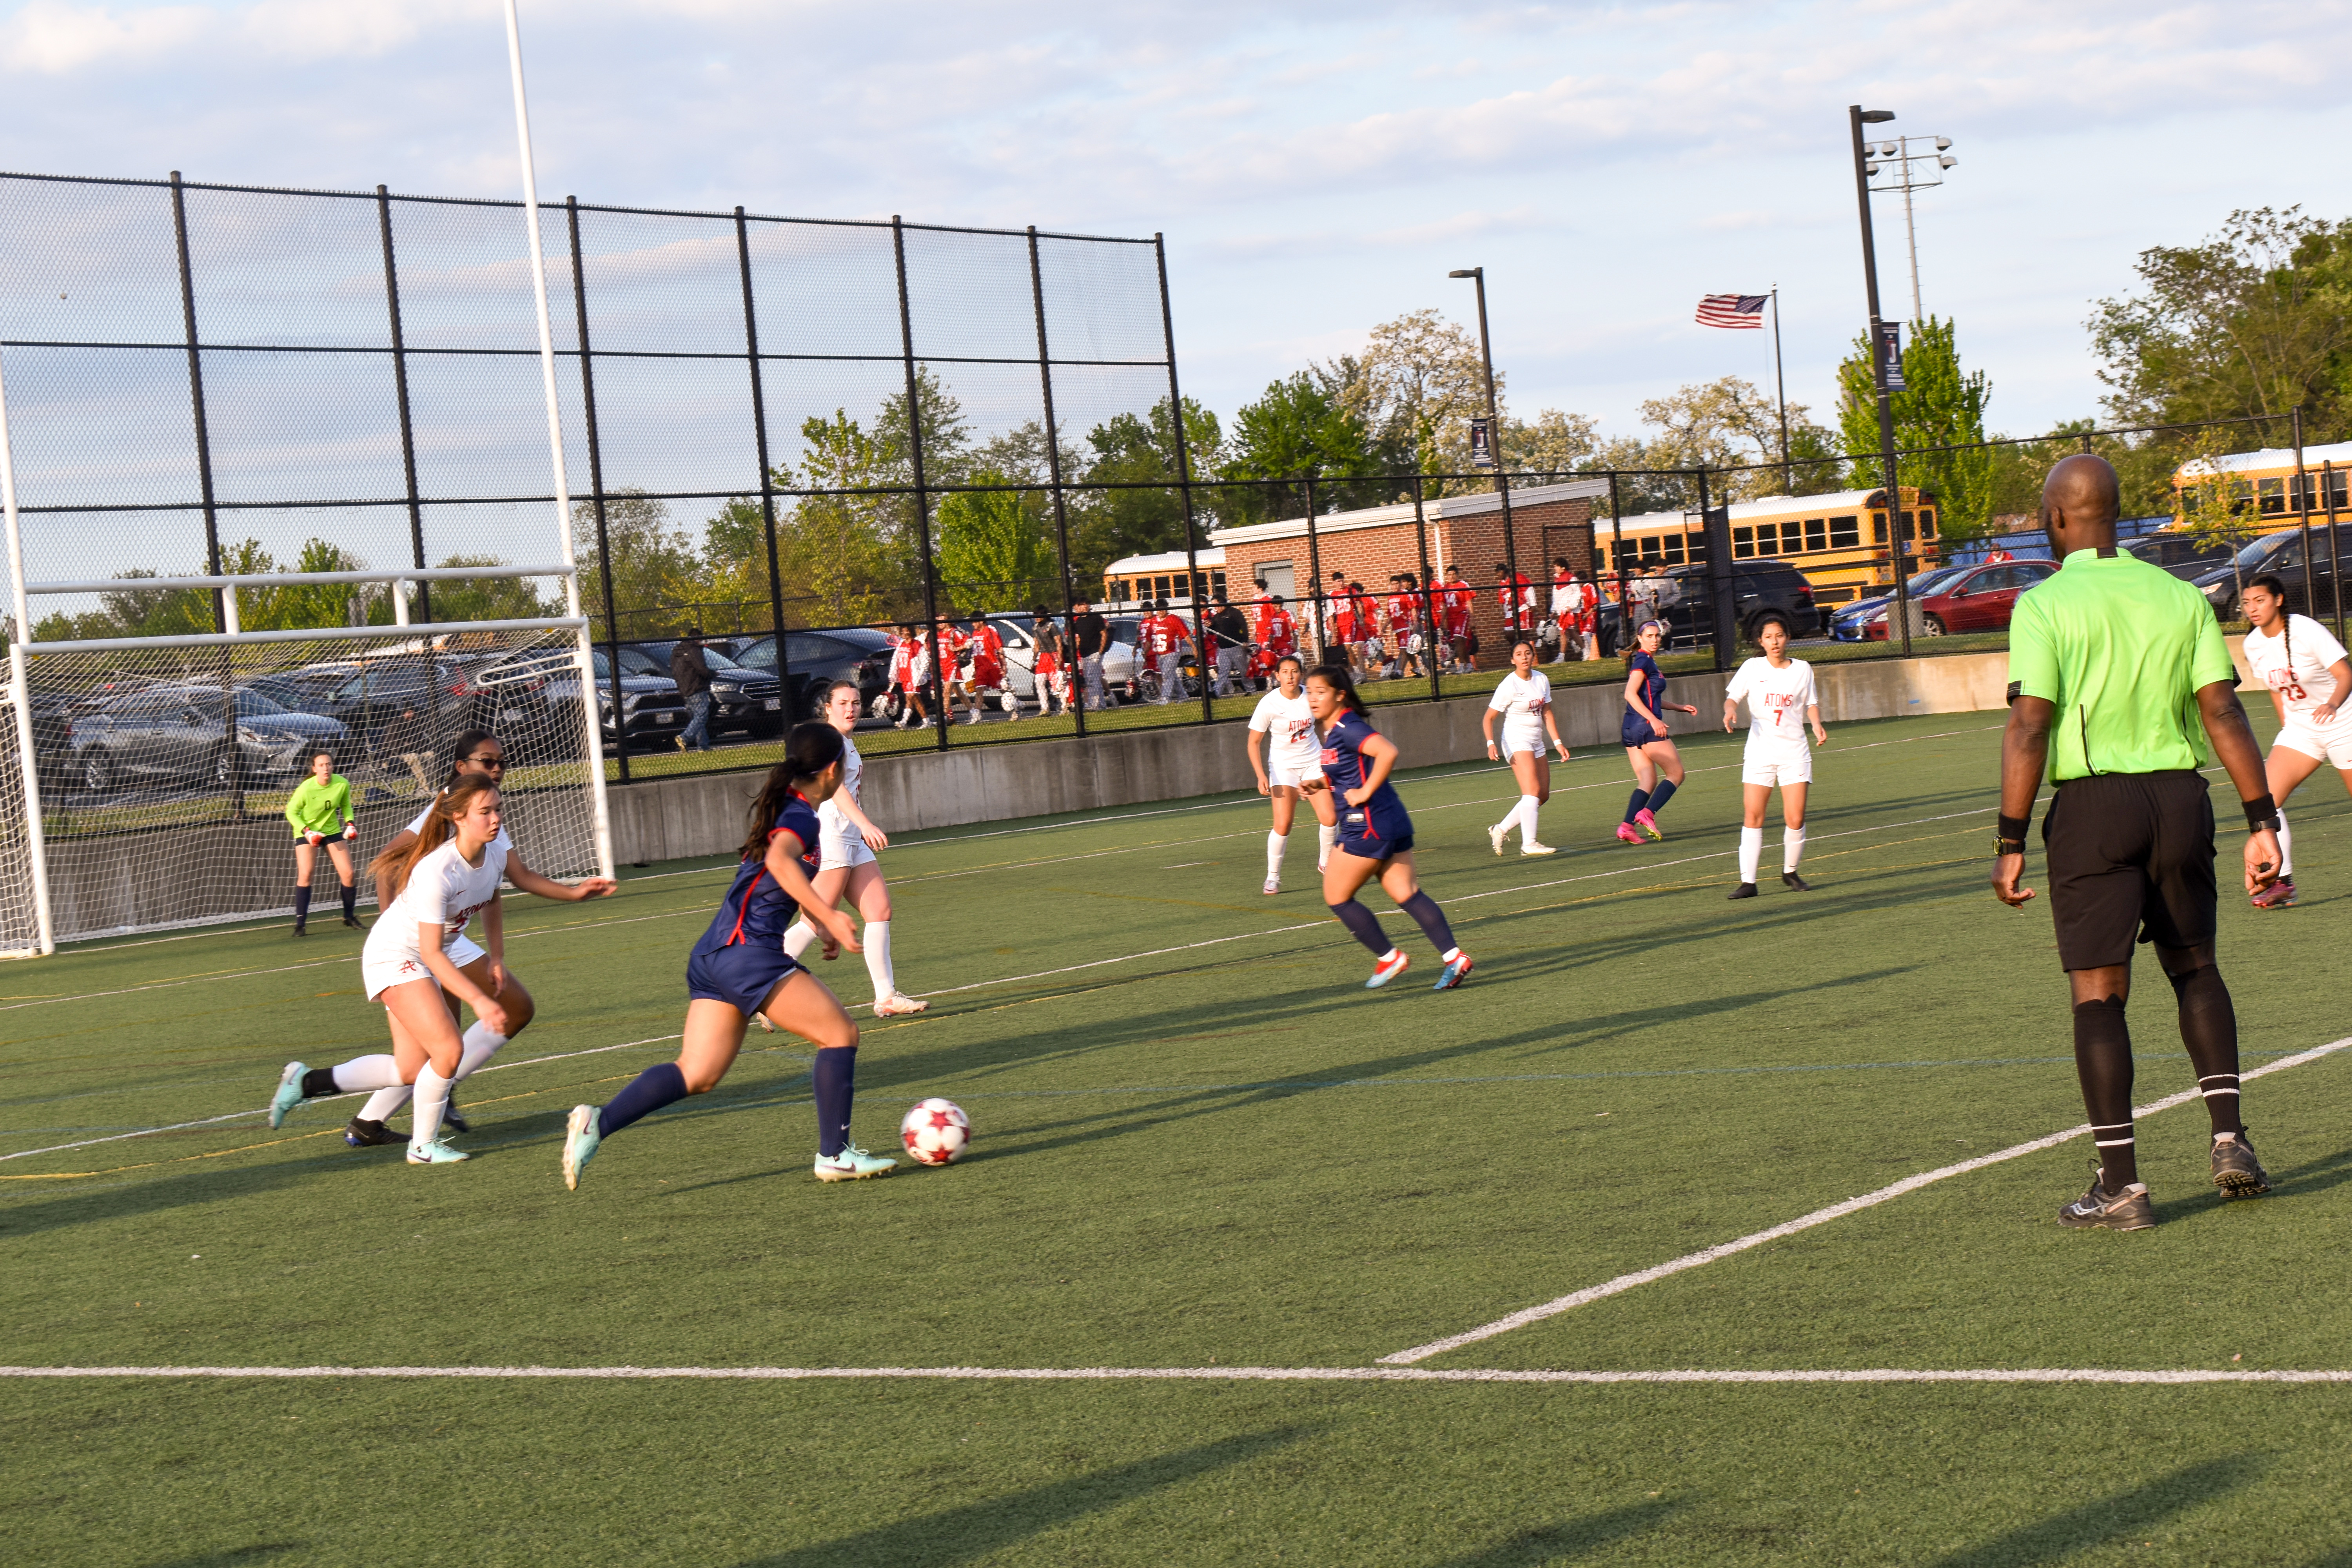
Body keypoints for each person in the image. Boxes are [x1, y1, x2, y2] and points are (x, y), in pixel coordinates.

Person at [1992, 454, 2281, 1230]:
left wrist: (2010, 836)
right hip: (2181, 799)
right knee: (2195, 966)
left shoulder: (2044, 603)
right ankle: (2231, 1138)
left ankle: (2121, 1184)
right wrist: (2262, 817)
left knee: (2099, 993)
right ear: (2115, 514)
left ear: (2057, 519)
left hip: (2094, 807)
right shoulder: (2180, 595)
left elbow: (2030, 723)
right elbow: (2223, 711)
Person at [563, 724, 897, 1189]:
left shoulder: (787, 807)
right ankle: (835, 1155)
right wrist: (831, 915)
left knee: (697, 1073)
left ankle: (598, 1122)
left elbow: (773, 877)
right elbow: (781, 863)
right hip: (748, 954)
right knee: (840, 1034)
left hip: (713, 955)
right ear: (836, 769)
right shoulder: (802, 815)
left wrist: (819, 923)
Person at [309, 728, 615, 1147]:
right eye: (487, 762)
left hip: (446, 942)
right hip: (410, 949)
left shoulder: (487, 830)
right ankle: (422, 1125)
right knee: (439, 1053)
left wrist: (567, 898)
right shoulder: (451, 818)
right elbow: (387, 867)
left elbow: (500, 887)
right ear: (461, 771)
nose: (497, 769)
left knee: (497, 1018)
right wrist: (399, 926)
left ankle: (374, 1102)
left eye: (501, 763)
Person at [269, 778, 506, 1165]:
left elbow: (492, 896)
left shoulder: (493, 853)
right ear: (459, 817)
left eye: (498, 809)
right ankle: (423, 1146)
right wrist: (478, 999)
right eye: (486, 812)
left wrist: (496, 956)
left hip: (423, 955)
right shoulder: (437, 871)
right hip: (394, 955)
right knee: (448, 1049)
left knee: (411, 1068)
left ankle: (306, 1082)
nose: (496, 819)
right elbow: (431, 951)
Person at [1304, 663, 1472, 990]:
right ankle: (1454, 958)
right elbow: (1350, 772)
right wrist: (1320, 783)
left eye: (1320, 692)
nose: (1313, 699)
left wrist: (1364, 793)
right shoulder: (1336, 730)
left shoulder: (1347, 726)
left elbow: (1387, 751)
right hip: (1390, 819)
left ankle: (1389, 956)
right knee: (1406, 894)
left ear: (1340, 695)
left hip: (1366, 825)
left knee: (1337, 896)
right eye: (1309, 692)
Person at [779, 679, 928, 1016]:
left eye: (857, 703)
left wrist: (859, 830)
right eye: (844, 703)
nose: (851, 709)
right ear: (828, 708)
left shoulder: (844, 740)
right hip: (833, 835)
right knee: (815, 921)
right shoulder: (830, 741)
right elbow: (835, 791)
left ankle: (886, 996)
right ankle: (757, 981)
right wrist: (865, 824)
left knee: (879, 911)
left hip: (850, 838)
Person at [2237, 572, 2352, 909]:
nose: (2252, 608)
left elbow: (2345, 674)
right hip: (2303, 730)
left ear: (2278, 600)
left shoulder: (2305, 630)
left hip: (2343, 723)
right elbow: (2277, 692)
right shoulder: (2253, 643)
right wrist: (2288, 730)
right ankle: (2282, 882)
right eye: (2246, 603)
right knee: (2264, 802)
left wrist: (2331, 704)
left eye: (2260, 600)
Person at [1721, 612, 1826, 898]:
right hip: (1760, 752)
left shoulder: (1802, 669)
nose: (1775, 641)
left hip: (1794, 752)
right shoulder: (1752, 667)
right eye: (1769, 637)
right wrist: (1730, 710)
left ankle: (1790, 872)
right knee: (1753, 816)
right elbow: (1733, 697)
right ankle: (1748, 883)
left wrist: (1816, 723)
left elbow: (1811, 703)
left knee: (1795, 817)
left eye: (1779, 635)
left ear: (1788, 638)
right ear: (1761, 641)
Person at [1247, 653, 1339, 894]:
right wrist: (1261, 775)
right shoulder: (1269, 704)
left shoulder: (1310, 696)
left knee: (1330, 818)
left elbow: (1323, 725)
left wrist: (1329, 762)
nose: (1290, 676)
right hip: (1283, 767)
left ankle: (1327, 863)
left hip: (1313, 763)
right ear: (1277, 676)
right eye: (1285, 672)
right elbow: (1253, 742)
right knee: (1283, 824)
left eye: (1295, 671)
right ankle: (1273, 877)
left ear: (1301, 674)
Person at [1483, 639, 1568, 856]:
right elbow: (1488, 718)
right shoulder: (1508, 685)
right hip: (1515, 739)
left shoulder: (1542, 679)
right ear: (1513, 660)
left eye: (1528, 653)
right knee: (1531, 791)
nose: (1524, 657)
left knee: (1542, 795)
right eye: (1519, 654)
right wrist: (1490, 743)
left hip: (1536, 740)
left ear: (1533, 656)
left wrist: (1558, 743)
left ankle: (1500, 830)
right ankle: (1529, 844)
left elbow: (1547, 713)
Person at [1618, 619, 1697, 844]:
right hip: (1646, 727)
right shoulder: (1643, 661)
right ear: (1640, 638)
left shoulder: (1646, 661)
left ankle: (1627, 827)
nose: (1655, 640)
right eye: (1650, 636)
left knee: (1647, 780)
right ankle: (1647, 813)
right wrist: (1653, 720)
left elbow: (1651, 699)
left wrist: (1679, 707)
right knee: (1677, 774)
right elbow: (1630, 694)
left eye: (1658, 636)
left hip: (1631, 728)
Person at [283, 750, 360, 936]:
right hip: (307, 831)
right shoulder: (306, 788)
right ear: (314, 768)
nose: (326, 768)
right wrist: (307, 832)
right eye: (321, 765)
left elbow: (346, 805)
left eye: (329, 764)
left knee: (349, 874)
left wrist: (350, 824)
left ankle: (349, 917)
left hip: (332, 830)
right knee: (306, 874)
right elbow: (291, 812)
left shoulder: (342, 783)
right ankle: (300, 925)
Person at [669, 630, 715, 753]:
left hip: (685, 688)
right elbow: (702, 670)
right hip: (697, 687)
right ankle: (685, 737)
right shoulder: (694, 650)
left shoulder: (677, 652)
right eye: (701, 640)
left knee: (697, 718)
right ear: (697, 639)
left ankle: (703, 746)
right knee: (702, 716)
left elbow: (675, 671)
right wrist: (713, 674)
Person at [1070, 598, 1111, 711]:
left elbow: (1104, 634)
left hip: (1095, 652)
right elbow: (1078, 639)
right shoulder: (1078, 621)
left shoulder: (1096, 618)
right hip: (1084, 654)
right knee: (1090, 679)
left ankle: (1096, 704)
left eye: (1086, 605)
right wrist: (1074, 651)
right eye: (1082, 605)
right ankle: (1101, 704)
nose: (1084, 607)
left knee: (1092, 678)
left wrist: (1101, 651)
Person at [1207, 590, 1249, 697]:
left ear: (1221, 603)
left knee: (1244, 670)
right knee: (1223, 672)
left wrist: (1245, 641)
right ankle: (1217, 692)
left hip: (1236, 647)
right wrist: (1209, 626)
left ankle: (1251, 689)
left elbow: (1244, 626)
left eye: (1216, 605)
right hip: (1223, 649)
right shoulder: (1216, 617)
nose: (1215, 608)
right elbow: (1212, 632)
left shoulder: (1234, 612)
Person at [1031, 605, 1071, 717]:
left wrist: (1059, 659)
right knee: (1039, 682)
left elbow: (1059, 643)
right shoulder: (1035, 628)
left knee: (1058, 683)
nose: (1037, 618)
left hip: (1054, 655)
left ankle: (1065, 707)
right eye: (1035, 616)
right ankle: (1045, 708)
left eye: (1039, 616)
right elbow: (1037, 645)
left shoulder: (1051, 626)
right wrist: (1034, 660)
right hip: (1043, 657)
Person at [1146, 598, 1188, 705]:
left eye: (1163, 609)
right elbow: (1149, 640)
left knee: (1167, 675)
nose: (1161, 611)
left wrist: (1194, 647)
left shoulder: (1174, 619)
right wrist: (1145, 652)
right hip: (1160, 653)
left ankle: (1165, 698)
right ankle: (1183, 695)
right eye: (1159, 609)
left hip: (1173, 651)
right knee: (1170, 674)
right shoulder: (1154, 622)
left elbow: (1186, 635)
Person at [1438, 567, 1473, 673]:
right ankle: (1469, 665)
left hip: (1462, 614)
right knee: (1460, 642)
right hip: (1451, 617)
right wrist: (1443, 620)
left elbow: (1469, 603)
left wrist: (1472, 619)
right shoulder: (1446, 587)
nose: (1452, 577)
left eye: (1454, 574)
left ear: (1457, 575)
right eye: (1449, 575)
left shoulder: (1463, 585)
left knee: (1458, 639)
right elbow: (1444, 606)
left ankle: (1462, 665)